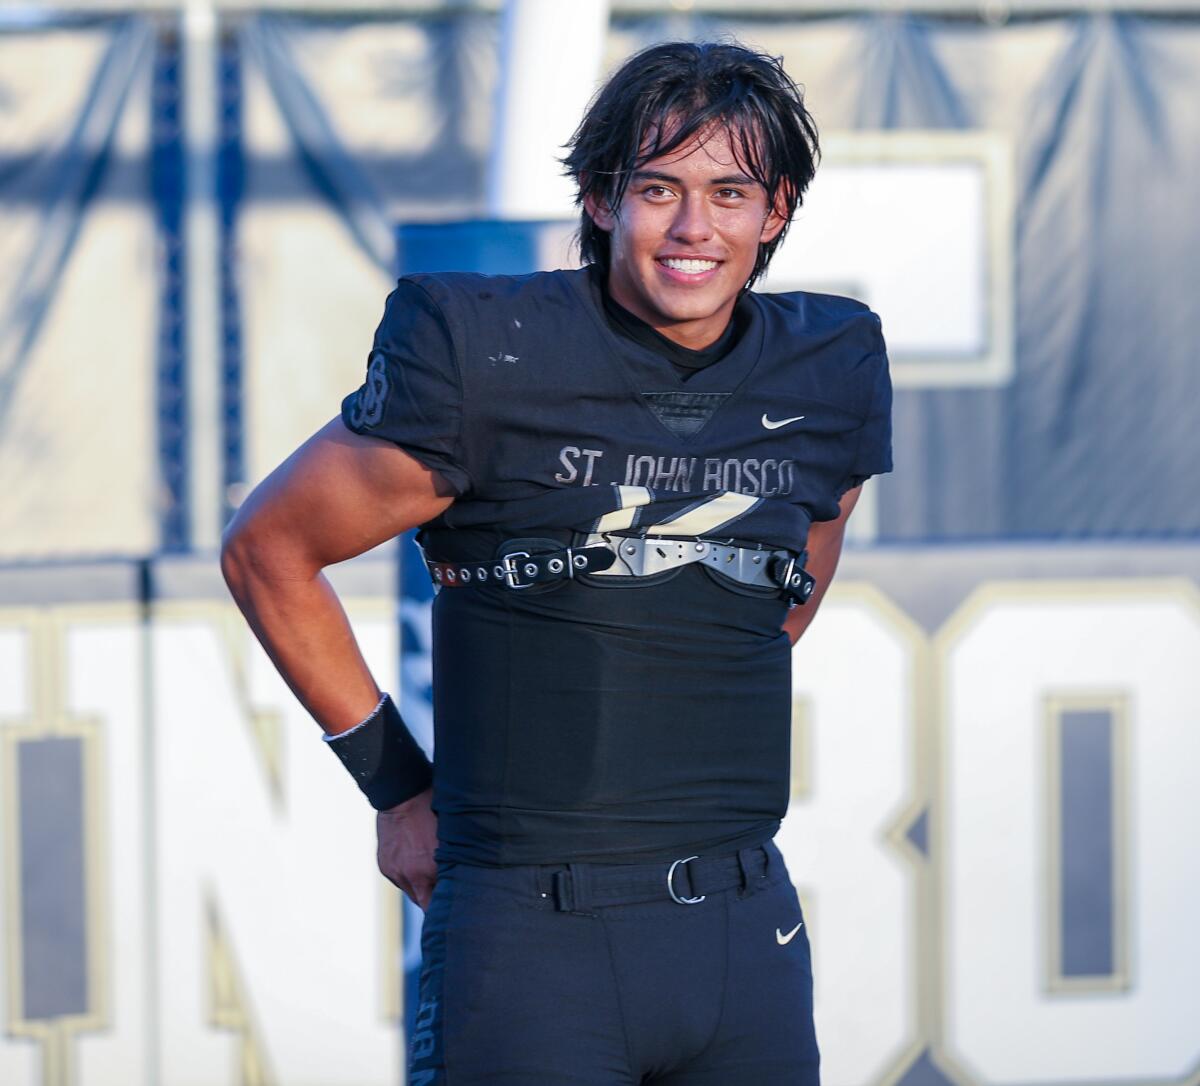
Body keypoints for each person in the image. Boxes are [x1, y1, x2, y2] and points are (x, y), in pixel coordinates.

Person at [221, 39, 892, 1086]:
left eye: (729, 192)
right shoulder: (484, 351)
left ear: (776, 212)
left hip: (744, 927)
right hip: (536, 937)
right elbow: (269, 551)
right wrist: (398, 791)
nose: (694, 227)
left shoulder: (831, 364)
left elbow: (805, 553)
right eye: (660, 188)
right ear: (599, 198)